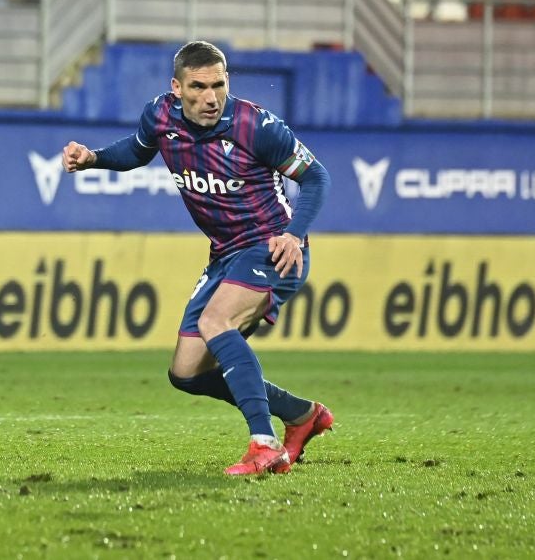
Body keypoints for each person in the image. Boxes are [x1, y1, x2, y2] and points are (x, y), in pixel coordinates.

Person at [60, 40, 334, 476]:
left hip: (271, 246)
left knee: (215, 323)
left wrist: (293, 235)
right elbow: (136, 150)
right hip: (224, 254)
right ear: (176, 87)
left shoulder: (256, 126)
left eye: (219, 85)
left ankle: (264, 445)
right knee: (186, 372)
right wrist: (93, 158)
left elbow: (316, 177)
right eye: (198, 86)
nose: (210, 97)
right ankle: (302, 415)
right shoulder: (161, 115)